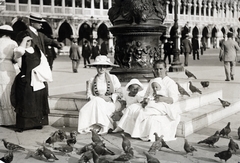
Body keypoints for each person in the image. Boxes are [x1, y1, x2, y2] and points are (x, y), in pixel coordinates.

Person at [115, 60, 180, 142]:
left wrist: (162, 99)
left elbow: (174, 98)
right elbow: (147, 94)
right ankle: (122, 127)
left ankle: (140, 132)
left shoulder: (170, 82)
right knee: (132, 107)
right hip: (150, 102)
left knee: (147, 112)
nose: (158, 71)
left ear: (165, 69)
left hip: (163, 103)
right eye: (156, 69)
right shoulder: (152, 81)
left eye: (161, 69)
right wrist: (145, 100)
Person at [11, 31, 52, 132]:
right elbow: (18, 53)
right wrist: (23, 42)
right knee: (25, 101)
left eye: (29, 40)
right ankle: (23, 125)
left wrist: (40, 73)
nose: (28, 42)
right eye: (26, 40)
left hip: (38, 78)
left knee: (38, 100)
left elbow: (44, 63)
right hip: (26, 80)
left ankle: (38, 123)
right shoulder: (20, 51)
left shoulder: (37, 50)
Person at [78, 55, 122, 134]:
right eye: (99, 66)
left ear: (106, 67)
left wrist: (110, 98)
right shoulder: (92, 80)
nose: (101, 69)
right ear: (96, 67)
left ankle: (105, 126)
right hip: (96, 102)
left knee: (98, 102)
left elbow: (119, 92)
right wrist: (97, 98)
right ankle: (99, 126)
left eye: (104, 66)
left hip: (109, 102)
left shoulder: (113, 78)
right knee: (83, 111)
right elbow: (89, 94)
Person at [0, 25, 18, 126]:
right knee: (8, 92)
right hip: (8, 67)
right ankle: (9, 120)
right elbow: (15, 58)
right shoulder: (13, 43)